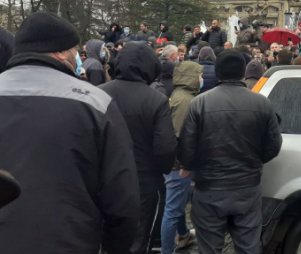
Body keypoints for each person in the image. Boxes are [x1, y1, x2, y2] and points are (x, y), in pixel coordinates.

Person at [0, 12, 139, 253]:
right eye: (76, 50)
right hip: (69, 241)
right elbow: (122, 196)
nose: (79, 57)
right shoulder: (95, 102)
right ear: (61, 51)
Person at [178, 50, 283, 254]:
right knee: (248, 246)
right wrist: (254, 161)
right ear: (243, 73)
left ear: (217, 73)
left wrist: (189, 168)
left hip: (209, 188)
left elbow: (187, 147)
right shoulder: (262, 103)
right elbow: (273, 145)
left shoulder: (199, 103)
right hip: (247, 186)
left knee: (209, 247)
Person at [100, 43, 178, 254]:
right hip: (143, 183)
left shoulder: (97, 94)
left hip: (103, 180)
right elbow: (165, 147)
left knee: (103, 237)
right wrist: (163, 169)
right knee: (138, 240)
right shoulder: (156, 99)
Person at [161, 61, 202, 254]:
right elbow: (180, 135)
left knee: (176, 206)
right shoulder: (186, 101)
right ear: (191, 77)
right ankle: (167, 250)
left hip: (174, 164)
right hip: (179, 166)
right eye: (199, 75)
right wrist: (184, 164)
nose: (202, 79)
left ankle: (183, 235)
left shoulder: (178, 96)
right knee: (172, 210)